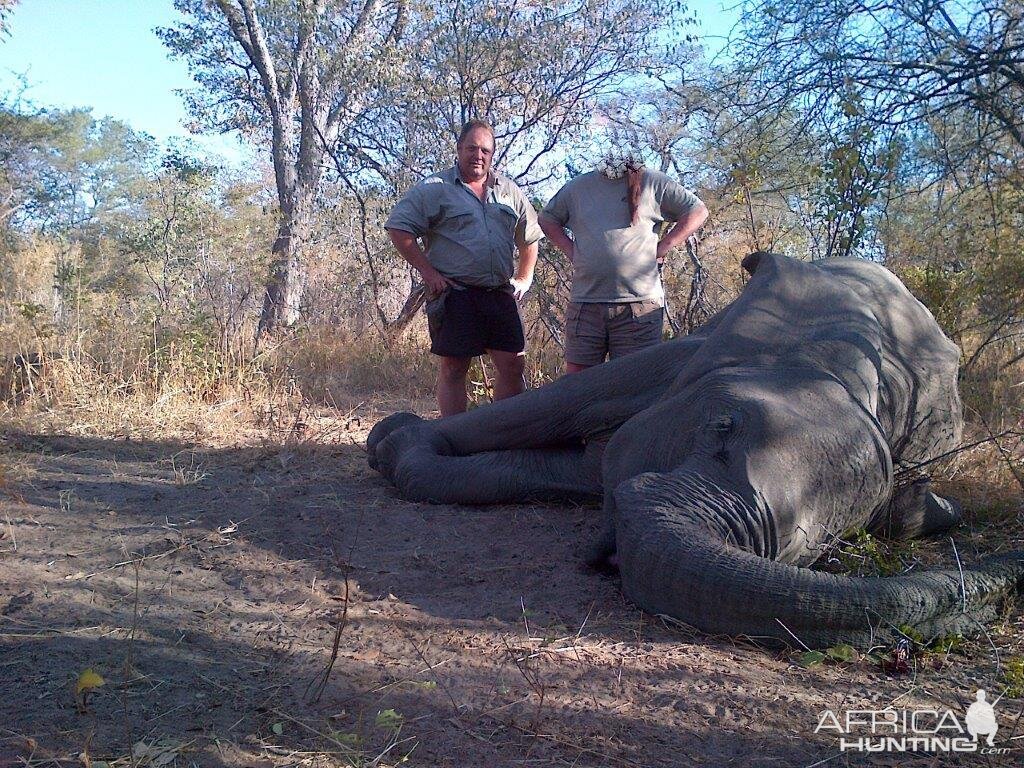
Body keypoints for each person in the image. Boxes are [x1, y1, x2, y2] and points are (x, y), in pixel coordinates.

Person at [385, 119, 542, 416]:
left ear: (492, 154)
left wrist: (524, 276)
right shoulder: (436, 189)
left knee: (513, 364)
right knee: (454, 367)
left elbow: (530, 237)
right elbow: (399, 228)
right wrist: (428, 273)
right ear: (459, 149)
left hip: (499, 293)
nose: (478, 155)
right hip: (455, 292)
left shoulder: (508, 191)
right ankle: (454, 437)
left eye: (485, 150)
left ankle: (503, 436)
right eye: (471, 148)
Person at [538, 150, 708, 373]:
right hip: (586, 304)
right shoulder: (578, 187)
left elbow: (697, 211)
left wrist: (664, 246)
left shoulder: (653, 182)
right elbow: (547, 218)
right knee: (576, 385)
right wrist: (572, 253)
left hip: (639, 306)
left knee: (634, 385)